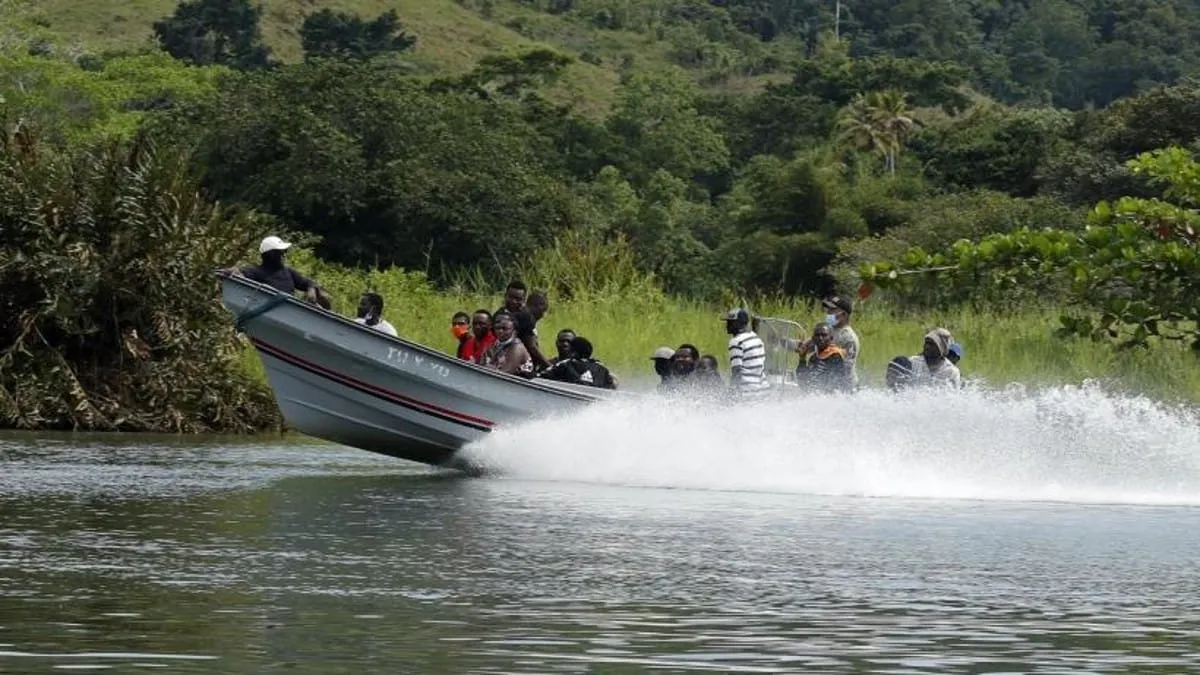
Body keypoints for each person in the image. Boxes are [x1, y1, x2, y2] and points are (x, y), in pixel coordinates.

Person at [226, 235, 331, 309]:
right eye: (280, 252)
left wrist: (311, 289)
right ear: (271, 254)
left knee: (322, 295)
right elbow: (240, 272)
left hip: (292, 310)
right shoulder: (257, 272)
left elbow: (306, 282)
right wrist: (232, 272)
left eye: (284, 251)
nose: (283, 254)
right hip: (271, 308)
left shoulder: (288, 272)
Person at [540, 336, 617, 389]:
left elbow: (543, 375)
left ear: (574, 352)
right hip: (595, 402)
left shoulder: (566, 364)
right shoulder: (602, 368)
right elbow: (614, 385)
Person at [724, 308, 768, 396]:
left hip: (747, 392)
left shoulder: (735, 342)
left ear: (738, 324)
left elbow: (737, 370)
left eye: (731, 322)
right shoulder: (755, 337)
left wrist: (732, 391)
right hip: (763, 389)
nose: (727, 325)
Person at [796, 323, 852, 392]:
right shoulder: (814, 358)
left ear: (831, 338)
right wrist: (802, 358)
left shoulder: (836, 356)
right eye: (817, 335)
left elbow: (835, 385)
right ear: (813, 338)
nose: (820, 338)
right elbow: (803, 383)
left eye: (824, 335)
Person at [822, 295, 860, 385]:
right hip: (827, 382)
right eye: (828, 310)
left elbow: (847, 367)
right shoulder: (828, 330)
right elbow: (809, 345)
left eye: (832, 310)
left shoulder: (849, 338)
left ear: (844, 315)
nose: (828, 313)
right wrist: (784, 342)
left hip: (845, 388)